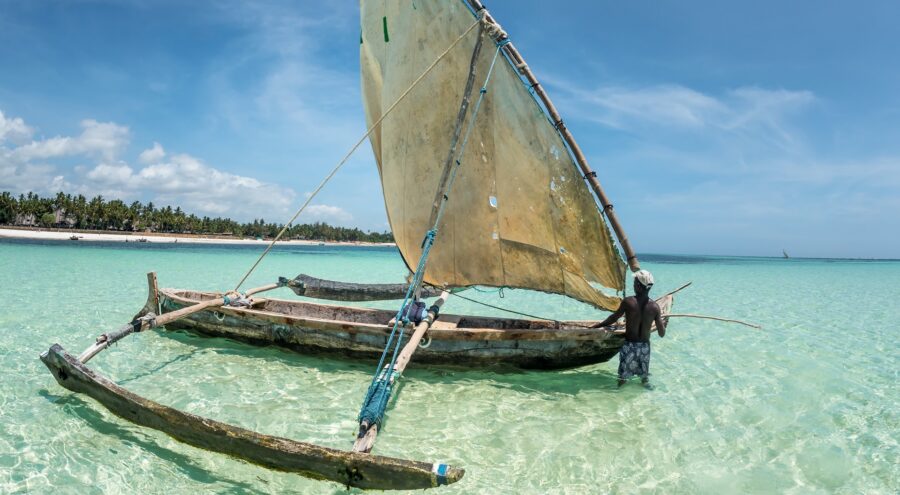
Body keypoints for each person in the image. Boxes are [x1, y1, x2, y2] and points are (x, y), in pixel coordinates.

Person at [592, 269, 666, 388]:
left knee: (623, 377)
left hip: (630, 346)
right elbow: (662, 334)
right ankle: (646, 388)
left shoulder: (628, 302)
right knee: (643, 377)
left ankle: (619, 392)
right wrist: (662, 323)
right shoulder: (655, 307)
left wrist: (598, 326)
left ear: (638, 286)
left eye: (634, 282)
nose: (633, 284)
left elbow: (613, 318)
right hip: (645, 347)